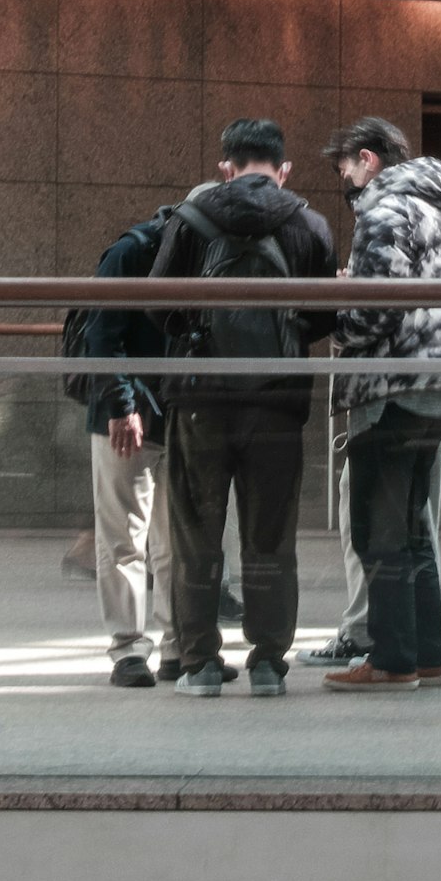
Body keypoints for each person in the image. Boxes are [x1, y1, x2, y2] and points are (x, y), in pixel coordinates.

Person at [146, 118, 339, 699]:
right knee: (271, 537)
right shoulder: (308, 222)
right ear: (283, 171)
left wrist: (200, 336)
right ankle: (267, 664)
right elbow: (326, 315)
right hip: (276, 401)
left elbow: (158, 304)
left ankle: (201, 663)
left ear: (224, 167)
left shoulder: (192, 218)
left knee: (196, 536)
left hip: (201, 398)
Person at [315, 118, 441, 693]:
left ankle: (392, 660)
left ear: (367, 160)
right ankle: (427, 653)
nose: (345, 182)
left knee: (377, 524)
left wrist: (337, 308)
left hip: (399, 388)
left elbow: (376, 313)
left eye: (345, 168)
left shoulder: (384, 209)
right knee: (416, 523)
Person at [73, 202, 179, 688]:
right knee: (124, 537)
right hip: (127, 411)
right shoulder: (134, 251)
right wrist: (121, 403)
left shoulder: (201, 251)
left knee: (174, 539)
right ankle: (129, 650)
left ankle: (179, 646)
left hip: (177, 408)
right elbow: (103, 334)